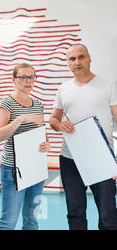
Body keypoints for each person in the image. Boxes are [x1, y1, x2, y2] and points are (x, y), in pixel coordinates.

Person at [49, 43, 117, 230]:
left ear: (89, 59)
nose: (77, 62)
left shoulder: (108, 84)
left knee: (108, 215)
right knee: (75, 213)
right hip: (70, 159)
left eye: (81, 57)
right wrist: (59, 124)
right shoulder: (63, 89)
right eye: (72, 59)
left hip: (102, 159)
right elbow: (53, 119)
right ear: (68, 63)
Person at [0, 63, 51, 230]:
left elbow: (41, 131)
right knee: (8, 221)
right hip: (13, 169)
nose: (28, 81)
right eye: (23, 77)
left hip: (36, 167)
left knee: (32, 219)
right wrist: (21, 119)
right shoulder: (6, 103)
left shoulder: (38, 104)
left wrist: (47, 143)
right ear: (14, 80)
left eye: (31, 77)